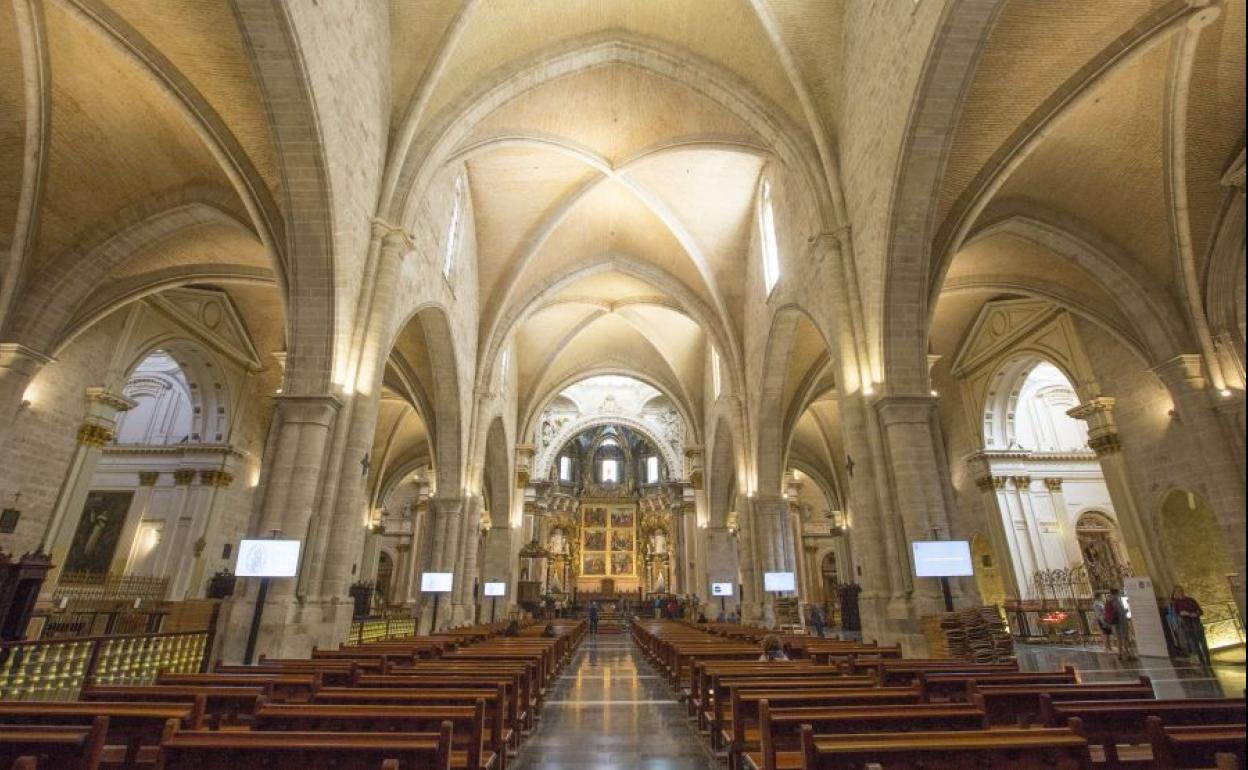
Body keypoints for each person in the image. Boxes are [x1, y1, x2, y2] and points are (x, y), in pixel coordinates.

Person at [1170, 586, 1210, 666]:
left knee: (1203, 642)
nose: (1179, 593)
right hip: (1187, 625)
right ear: (1175, 594)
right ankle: (1202, 661)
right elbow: (1178, 613)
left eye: (1180, 591)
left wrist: (1196, 613)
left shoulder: (1191, 600)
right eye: (1176, 592)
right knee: (1195, 644)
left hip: (1197, 623)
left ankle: (1208, 661)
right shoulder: (1176, 603)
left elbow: (1200, 611)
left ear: (1182, 591)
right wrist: (1185, 613)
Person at [1104, 588, 1135, 661]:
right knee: (1125, 638)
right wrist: (1126, 611)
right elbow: (1120, 612)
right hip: (1121, 623)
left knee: (1118, 638)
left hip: (1114, 623)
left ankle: (1120, 654)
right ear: (1116, 593)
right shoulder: (1116, 600)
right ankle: (1127, 654)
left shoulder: (1108, 601)